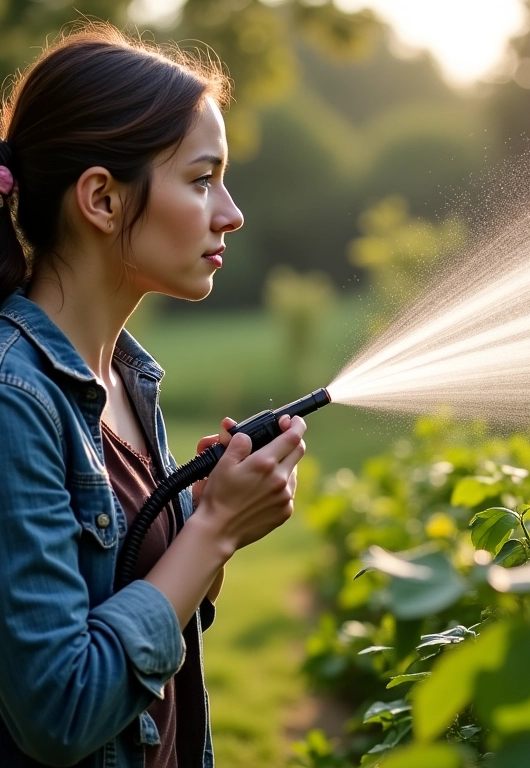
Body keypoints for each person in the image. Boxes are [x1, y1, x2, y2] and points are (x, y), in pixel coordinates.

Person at [0, 21, 307, 768]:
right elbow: (62, 710)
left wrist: (206, 515)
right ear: (102, 199)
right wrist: (216, 531)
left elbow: (141, 603)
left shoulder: (126, 383)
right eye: (202, 180)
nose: (230, 212)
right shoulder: (15, 402)